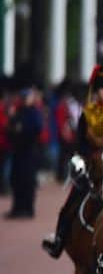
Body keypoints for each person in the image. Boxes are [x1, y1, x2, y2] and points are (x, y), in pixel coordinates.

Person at [42, 63, 103, 255]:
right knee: (71, 201)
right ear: (96, 90)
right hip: (93, 162)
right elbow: (80, 141)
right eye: (102, 88)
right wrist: (91, 152)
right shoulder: (88, 113)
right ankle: (59, 238)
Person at [6, 74, 45, 219]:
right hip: (18, 150)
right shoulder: (18, 111)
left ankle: (28, 208)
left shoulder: (34, 112)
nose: (24, 100)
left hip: (29, 150)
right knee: (16, 180)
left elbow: (37, 129)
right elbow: (10, 128)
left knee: (28, 181)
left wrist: (21, 129)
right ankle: (17, 207)